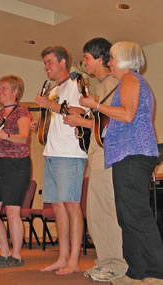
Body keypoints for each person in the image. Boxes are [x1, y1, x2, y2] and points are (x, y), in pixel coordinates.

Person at [80, 41, 163, 285]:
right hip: (128, 155)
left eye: (114, 58)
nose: (110, 62)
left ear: (125, 59)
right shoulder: (129, 81)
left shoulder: (130, 79)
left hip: (133, 154)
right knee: (127, 216)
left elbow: (127, 114)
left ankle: (157, 272)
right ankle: (137, 271)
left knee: (135, 214)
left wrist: (95, 105)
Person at [63, 38, 128, 282]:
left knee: (106, 212)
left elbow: (115, 125)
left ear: (101, 58)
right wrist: (80, 113)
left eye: (87, 58)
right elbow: (100, 121)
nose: (84, 63)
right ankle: (105, 261)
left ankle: (116, 265)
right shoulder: (101, 87)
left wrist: (83, 122)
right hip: (98, 155)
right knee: (97, 212)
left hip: (109, 156)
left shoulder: (115, 85)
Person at [34, 46, 87, 274]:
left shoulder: (77, 83)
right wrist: (42, 123)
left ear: (63, 62)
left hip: (70, 153)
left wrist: (51, 106)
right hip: (52, 152)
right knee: (57, 206)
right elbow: (56, 116)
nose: (47, 67)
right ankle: (62, 256)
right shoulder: (55, 89)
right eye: (45, 63)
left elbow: (81, 111)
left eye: (50, 62)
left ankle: (74, 260)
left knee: (72, 206)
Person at [0, 75, 32, 267]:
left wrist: (5, 135)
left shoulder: (22, 111)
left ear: (15, 91)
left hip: (16, 166)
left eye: (4, 89)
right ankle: (4, 252)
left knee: (12, 212)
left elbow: (23, 138)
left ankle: (17, 256)